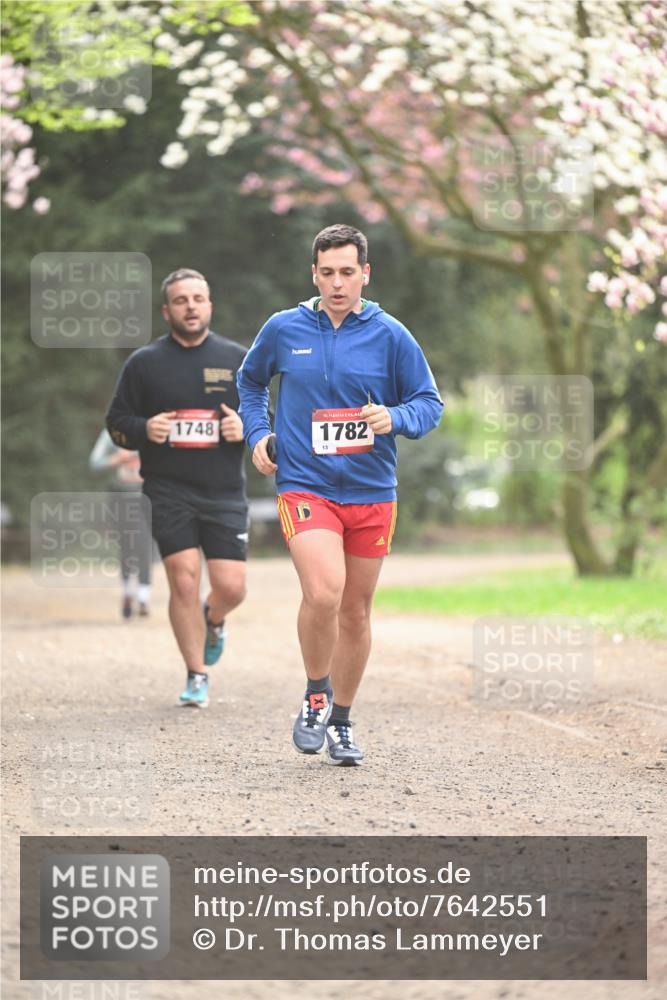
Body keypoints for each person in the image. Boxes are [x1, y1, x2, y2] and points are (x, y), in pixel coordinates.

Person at [238, 224, 443, 765]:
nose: (336, 283)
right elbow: (251, 381)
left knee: (355, 611)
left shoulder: (391, 334)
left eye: (347, 272)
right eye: (326, 273)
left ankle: (343, 721)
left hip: (372, 489)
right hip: (306, 484)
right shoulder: (284, 328)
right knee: (325, 592)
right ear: (314, 274)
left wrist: (393, 417)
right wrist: (259, 433)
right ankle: (315, 693)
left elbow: (429, 403)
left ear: (365, 274)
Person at [106, 268, 248, 708]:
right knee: (183, 581)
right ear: (167, 310)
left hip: (224, 490)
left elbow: (270, 421)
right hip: (168, 489)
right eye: (181, 300)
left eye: (198, 298)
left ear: (210, 305)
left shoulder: (239, 358)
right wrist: (147, 427)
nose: (191, 306)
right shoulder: (144, 363)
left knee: (232, 587)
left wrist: (243, 426)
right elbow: (117, 425)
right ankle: (196, 674)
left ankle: (214, 618)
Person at [89, 429, 153, 618]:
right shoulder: (110, 435)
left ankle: (143, 596)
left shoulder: (152, 428)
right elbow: (94, 464)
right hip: (121, 497)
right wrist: (117, 459)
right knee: (126, 545)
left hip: (148, 496)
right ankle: (128, 591)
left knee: (144, 544)